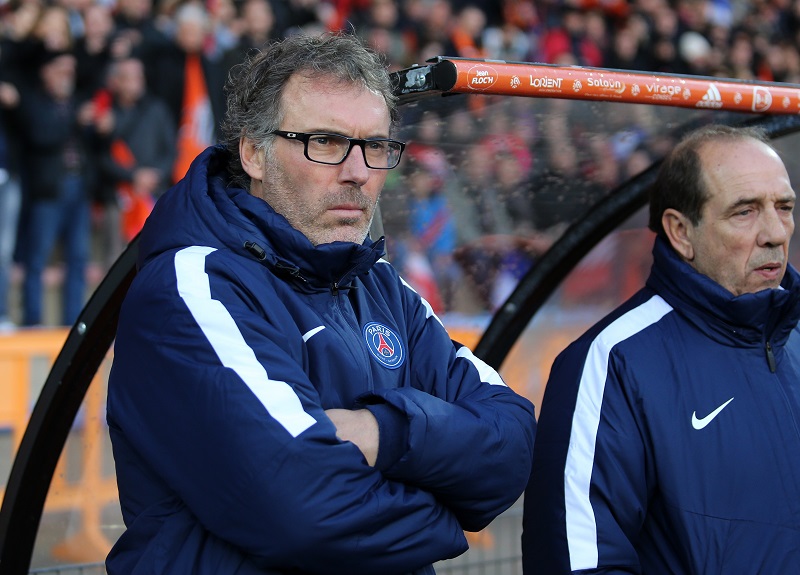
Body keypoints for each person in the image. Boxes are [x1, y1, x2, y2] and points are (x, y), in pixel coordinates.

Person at [106, 32, 536, 575]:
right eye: (326, 142)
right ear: (254, 153)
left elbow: (514, 441)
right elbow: (305, 511)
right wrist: (448, 517)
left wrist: (385, 432)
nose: (359, 172)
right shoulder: (191, 286)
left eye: (375, 146)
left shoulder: (381, 286)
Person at [521, 124, 800, 574]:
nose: (774, 232)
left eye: (784, 207)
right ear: (681, 231)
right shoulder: (609, 364)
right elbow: (580, 562)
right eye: (744, 212)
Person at [97, 56, 176, 267]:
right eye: (130, 78)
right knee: (116, 260)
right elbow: (101, 157)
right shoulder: (107, 114)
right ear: (116, 82)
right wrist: (133, 176)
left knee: (155, 257)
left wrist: (154, 175)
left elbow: (170, 150)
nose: (137, 82)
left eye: (139, 77)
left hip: (153, 193)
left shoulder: (157, 109)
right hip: (118, 197)